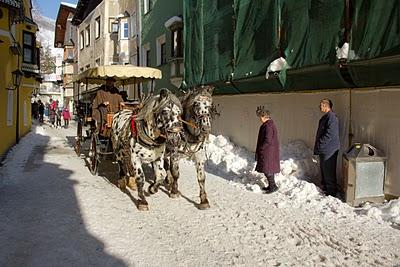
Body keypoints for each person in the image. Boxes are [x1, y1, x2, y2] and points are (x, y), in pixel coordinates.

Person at [314, 98, 340, 197]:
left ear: (325, 106)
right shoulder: (326, 117)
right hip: (324, 148)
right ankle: (326, 188)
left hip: (329, 149)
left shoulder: (332, 118)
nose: (319, 107)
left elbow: (329, 134)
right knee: (324, 169)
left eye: (321, 105)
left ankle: (332, 192)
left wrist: (320, 143)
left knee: (329, 170)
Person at [255, 106, 280, 194]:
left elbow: (268, 139)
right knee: (267, 169)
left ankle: (273, 186)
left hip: (268, 151)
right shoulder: (269, 124)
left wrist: (262, 148)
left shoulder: (268, 126)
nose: (260, 119)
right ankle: (271, 185)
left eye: (260, 117)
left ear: (263, 117)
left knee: (268, 169)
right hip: (268, 151)